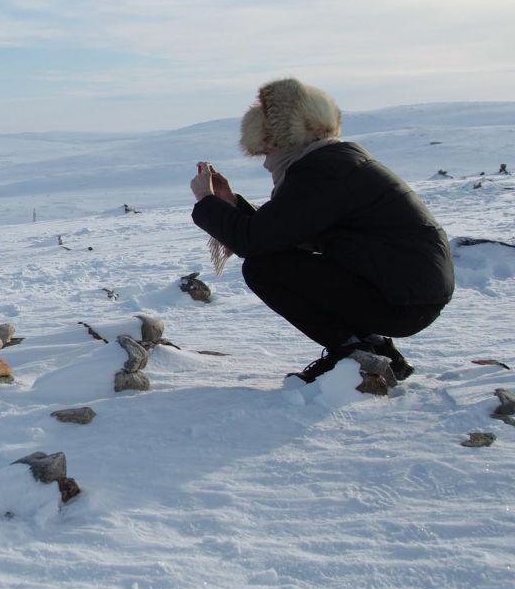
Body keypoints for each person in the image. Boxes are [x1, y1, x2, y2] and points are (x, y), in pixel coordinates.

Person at [189, 77, 454, 382]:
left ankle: (353, 353)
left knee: (264, 269)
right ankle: (377, 350)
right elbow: (286, 230)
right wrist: (229, 202)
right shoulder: (336, 162)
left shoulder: (322, 170)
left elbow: (255, 242)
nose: (268, 161)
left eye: (267, 150)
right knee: (273, 260)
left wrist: (207, 201)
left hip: (401, 300)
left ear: (282, 140)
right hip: (411, 292)